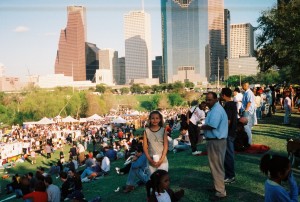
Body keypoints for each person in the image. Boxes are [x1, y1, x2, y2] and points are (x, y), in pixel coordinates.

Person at [199, 92, 228, 200]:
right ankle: (217, 187)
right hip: (215, 141)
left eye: (210, 100)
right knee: (215, 165)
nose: (207, 102)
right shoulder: (215, 109)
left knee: (217, 166)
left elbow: (212, 126)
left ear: (216, 99)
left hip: (216, 141)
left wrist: (200, 127)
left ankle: (220, 192)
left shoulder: (216, 110)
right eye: (206, 99)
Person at [220, 88, 237, 184]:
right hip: (232, 132)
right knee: (228, 155)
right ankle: (229, 175)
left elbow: (228, 121)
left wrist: (222, 131)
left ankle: (230, 176)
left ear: (224, 95)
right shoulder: (233, 104)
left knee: (228, 155)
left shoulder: (228, 105)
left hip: (228, 133)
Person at [143, 110, 168, 175]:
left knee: (162, 180)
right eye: (153, 118)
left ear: (160, 119)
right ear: (150, 119)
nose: (155, 120)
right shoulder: (146, 131)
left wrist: (161, 160)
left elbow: (165, 146)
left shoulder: (163, 130)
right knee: (154, 181)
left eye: (157, 118)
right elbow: (145, 147)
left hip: (163, 161)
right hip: (151, 161)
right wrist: (150, 160)